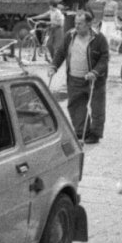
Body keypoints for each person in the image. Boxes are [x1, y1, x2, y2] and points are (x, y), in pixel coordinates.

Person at [50, 10, 109, 144]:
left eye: (80, 24)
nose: (76, 26)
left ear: (89, 24)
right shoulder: (70, 36)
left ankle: (95, 134)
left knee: (97, 107)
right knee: (75, 106)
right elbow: (61, 52)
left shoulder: (99, 38)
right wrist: (54, 66)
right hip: (74, 78)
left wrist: (95, 72)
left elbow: (104, 58)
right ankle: (82, 131)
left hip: (94, 80)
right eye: (76, 23)